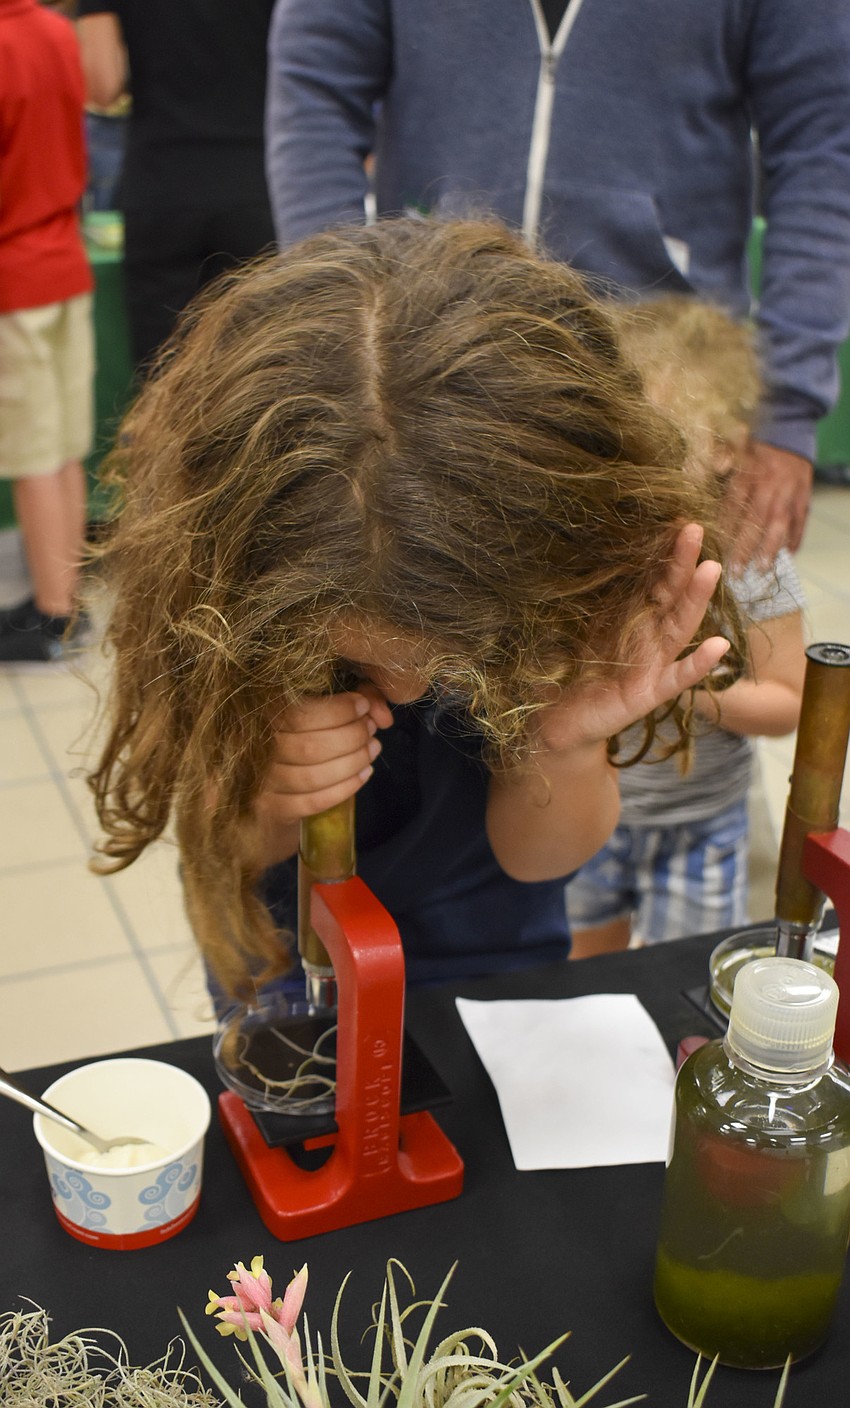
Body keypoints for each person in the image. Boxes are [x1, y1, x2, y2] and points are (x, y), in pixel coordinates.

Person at [86, 218, 745, 1002]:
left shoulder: (553, 592)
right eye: (361, 657)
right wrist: (269, 799)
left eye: (453, 657)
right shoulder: (227, 598)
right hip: (295, 965)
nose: (403, 690)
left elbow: (543, 860)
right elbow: (224, 847)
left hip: (494, 958)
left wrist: (561, 748)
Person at [265, 0, 850, 569]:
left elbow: (823, 144)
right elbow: (315, 86)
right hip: (433, 353)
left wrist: (786, 408)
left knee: (699, 606)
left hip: (667, 381)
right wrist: (344, 302)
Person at [567, 296, 807, 957]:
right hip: (593, 813)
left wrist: (687, 686)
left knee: (685, 977)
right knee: (585, 973)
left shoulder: (753, 560)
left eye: (659, 439)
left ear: (723, 448)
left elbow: (790, 701)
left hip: (700, 828)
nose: (633, 463)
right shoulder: (597, 548)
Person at [75, 0, 276, 372]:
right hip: (255, 183)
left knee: (164, 372)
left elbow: (103, 85)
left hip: (162, 185)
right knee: (258, 367)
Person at [0, 0, 94, 666]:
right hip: (64, 256)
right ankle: (68, 595)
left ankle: (53, 616)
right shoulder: (58, 32)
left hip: (14, 272)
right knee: (63, 448)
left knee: (33, 450)